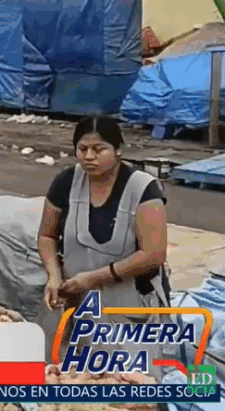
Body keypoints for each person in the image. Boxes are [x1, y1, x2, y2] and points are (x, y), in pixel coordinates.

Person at [37, 115, 171, 376]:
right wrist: (53, 275)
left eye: (99, 149)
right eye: (82, 149)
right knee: (72, 377)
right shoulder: (66, 182)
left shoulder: (143, 189)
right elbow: (47, 236)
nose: (89, 157)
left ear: (118, 150)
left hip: (129, 307)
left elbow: (154, 254)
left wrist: (95, 278)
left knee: (129, 382)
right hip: (78, 303)